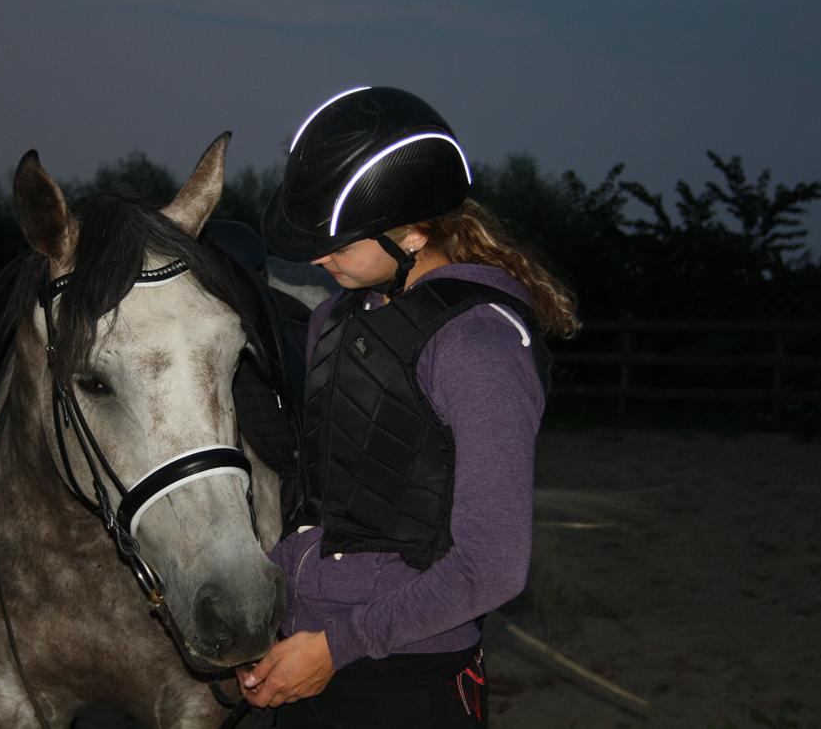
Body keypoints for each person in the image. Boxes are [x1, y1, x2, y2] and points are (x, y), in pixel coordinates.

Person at [242, 86, 579, 728]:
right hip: (304, 654)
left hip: (404, 676)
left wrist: (336, 648)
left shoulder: (478, 346)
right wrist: (267, 616)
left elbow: (493, 566)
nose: (319, 258)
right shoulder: (334, 321)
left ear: (418, 232)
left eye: (340, 243)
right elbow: (323, 508)